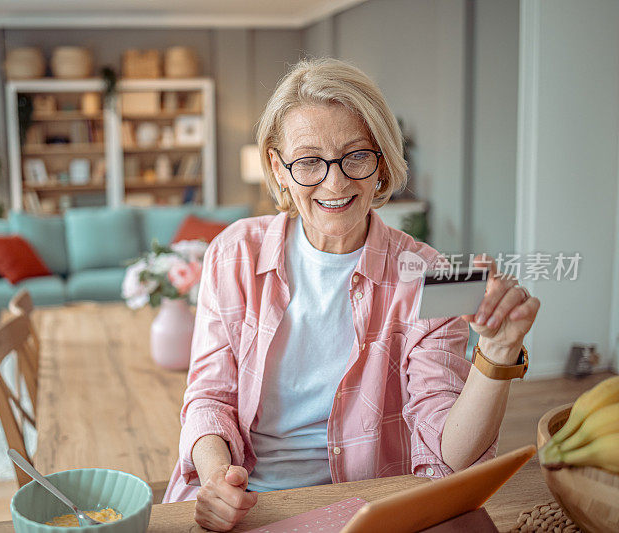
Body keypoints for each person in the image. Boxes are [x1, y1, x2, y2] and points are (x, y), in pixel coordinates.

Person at [162, 58, 540, 532]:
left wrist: (497, 354)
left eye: (356, 156)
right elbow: (208, 398)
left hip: (367, 506)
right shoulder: (234, 253)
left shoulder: (426, 274)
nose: (335, 183)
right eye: (308, 161)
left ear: (381, 164)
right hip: (251, 502)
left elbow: (453, 454)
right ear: (279, 169)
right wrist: (217, 481)